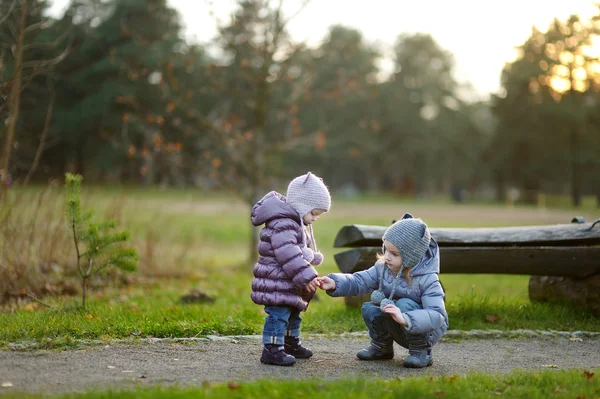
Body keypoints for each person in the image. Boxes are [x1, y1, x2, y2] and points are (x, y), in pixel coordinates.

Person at [318, 213, 448, 368]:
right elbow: (361, 280)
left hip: (424, 330)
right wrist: (335, 282)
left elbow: (437, 314)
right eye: (385, 249)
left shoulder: (428, 279)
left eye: (394, 254)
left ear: (412, 256)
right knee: (370, 308)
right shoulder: (383, 268)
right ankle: (382, 347)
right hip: (397, 321)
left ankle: (421, 352)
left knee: (404, 303)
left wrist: (406, 318)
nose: (387, 257)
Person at [250, 172, 331, 366]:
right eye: (313, 213)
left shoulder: (293, 223)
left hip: (288, 281)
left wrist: (310, 261)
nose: (315, 218)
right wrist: (307, 275)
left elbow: (299, 252)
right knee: (278, 316)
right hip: (276, 280)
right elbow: (288, 254)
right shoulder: (283, 224)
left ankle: (290, 343)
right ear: (301, 205)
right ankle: (272, 349)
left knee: (294, 313)